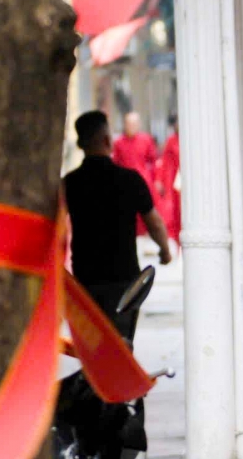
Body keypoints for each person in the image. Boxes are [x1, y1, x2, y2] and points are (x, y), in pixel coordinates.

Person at [63, 111, 173, 340]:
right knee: (122, 345)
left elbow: (55, 226)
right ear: (107, 141)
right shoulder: (129, 179)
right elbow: (154, 223)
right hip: (124, 278)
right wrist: (164, 250)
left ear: (81, 143)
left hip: (86, 278)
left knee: (93, 347)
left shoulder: (71, 184)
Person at [156, 115, 182, 246]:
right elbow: (165, 161)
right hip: (174, 183)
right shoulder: (171, 141)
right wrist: (160, 180)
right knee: (175, 212)